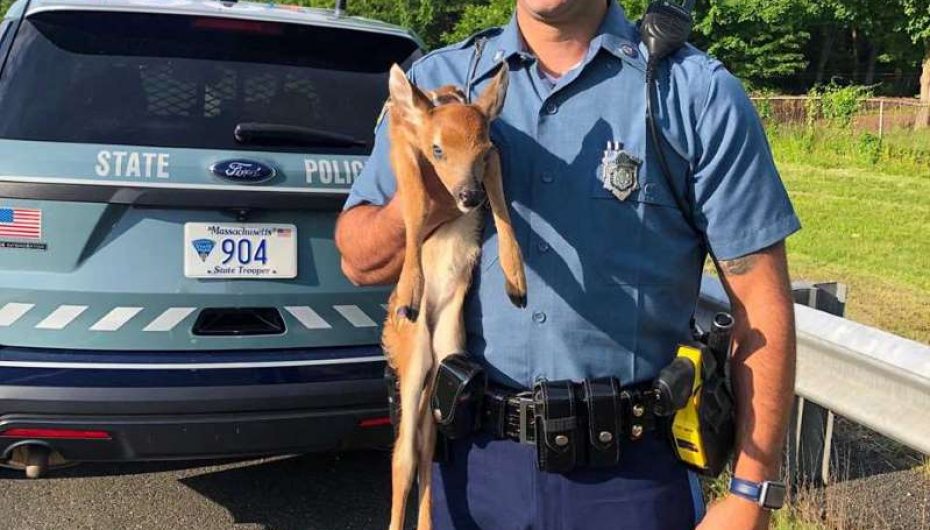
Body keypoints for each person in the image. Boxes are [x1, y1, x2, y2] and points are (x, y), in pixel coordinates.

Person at [336, 1, 800, 528]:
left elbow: (761, 299)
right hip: (471, 472)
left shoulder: (692, 93)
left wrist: (751, 492)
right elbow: (359, 259)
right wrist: (446, 180)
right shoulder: (439, 84)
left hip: (632, 478)